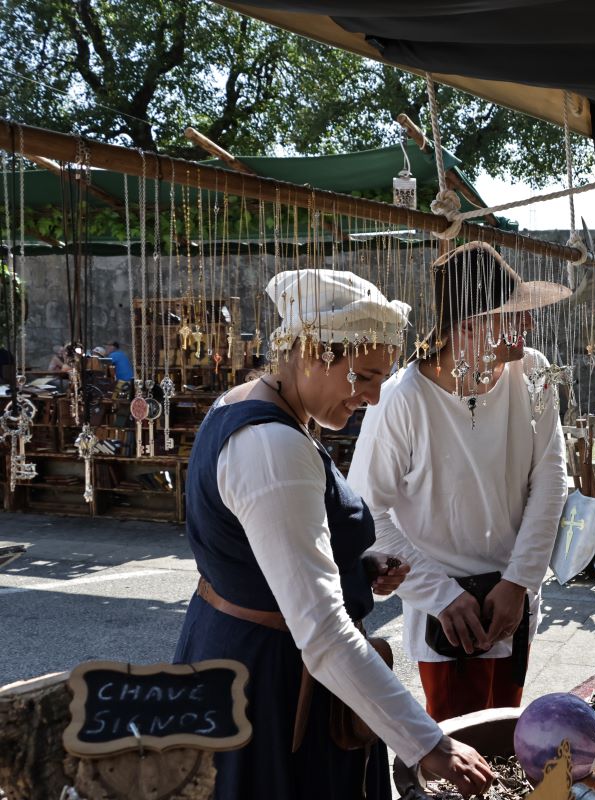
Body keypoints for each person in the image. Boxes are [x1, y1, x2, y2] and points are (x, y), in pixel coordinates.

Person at [174, 269, 492, 799]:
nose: (371, 398)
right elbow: (321, 631)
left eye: (380, 380)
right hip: (270, 685)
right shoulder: (272, 448)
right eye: (363, 376)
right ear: (310, 353)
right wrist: (428, 743)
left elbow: (262, 551)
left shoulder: (254, 405)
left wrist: (353, 568)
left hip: (241, 655)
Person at [348, 241, 570, 722]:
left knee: (508, 731)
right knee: (459, 744)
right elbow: (367, 512)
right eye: (512, 314)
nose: (528, 325)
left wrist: (519, 580)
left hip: (514, 594)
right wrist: (441, 593)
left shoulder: (532, 371)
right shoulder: (402, 399)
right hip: (445, 604)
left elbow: (550, 478)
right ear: (468, 325)